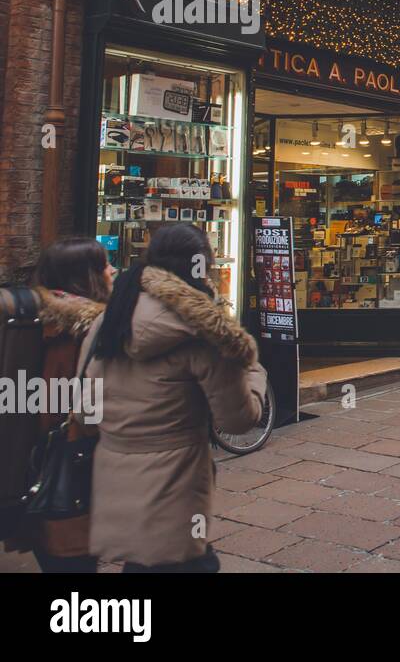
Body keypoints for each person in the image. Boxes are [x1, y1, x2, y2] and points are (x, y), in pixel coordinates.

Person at [81, 224, 266, 573]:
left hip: (113, 477)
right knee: (183, 563)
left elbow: (84, 407)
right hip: (174, 482)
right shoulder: (202, 333)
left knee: (142, 563)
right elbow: (238, 420)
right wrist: (255, 373)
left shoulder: (111, 318)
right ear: (204, 266)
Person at [3, 238, 113, 573]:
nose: (112, 270)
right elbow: (89, 413)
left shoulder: (32, 322)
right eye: (104, 265)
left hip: (26, 473)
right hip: (71, 475)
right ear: (86, 277)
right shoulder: (86, 333)